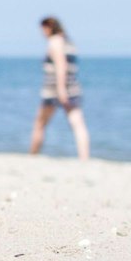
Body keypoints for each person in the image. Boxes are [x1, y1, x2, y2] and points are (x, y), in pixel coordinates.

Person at [29, 15, 90, 160]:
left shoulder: (55, 42)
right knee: (78, 124)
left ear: (48, 28)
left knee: (40, 123)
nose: (42, 33)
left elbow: (61, 65)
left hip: (54, 88)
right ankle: (84, 157)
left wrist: (61, 89)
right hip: (73, 86)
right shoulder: (69, 42)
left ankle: (32, 155)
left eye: (43, 29)